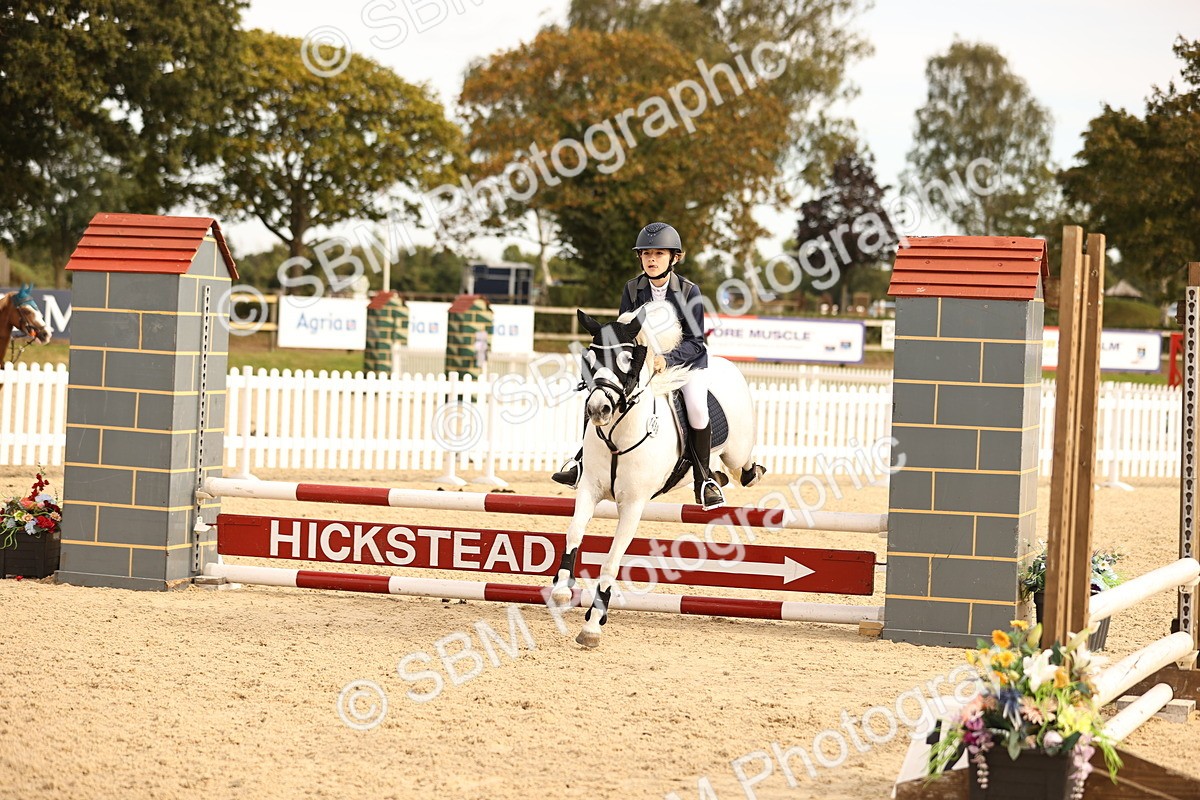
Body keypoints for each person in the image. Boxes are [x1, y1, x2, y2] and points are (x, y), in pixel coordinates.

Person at [551, 222, 725, 509]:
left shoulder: (689, 291)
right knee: (601, 394)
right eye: (646, 254)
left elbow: (696, 342)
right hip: (643, 364)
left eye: (659, 254)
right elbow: (625, 334)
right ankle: (581, 462)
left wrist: (665, 359)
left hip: (684, 362)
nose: (652, 260)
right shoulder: (632, 288)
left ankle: (704, 480)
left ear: (674, 258)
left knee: (696, 407)